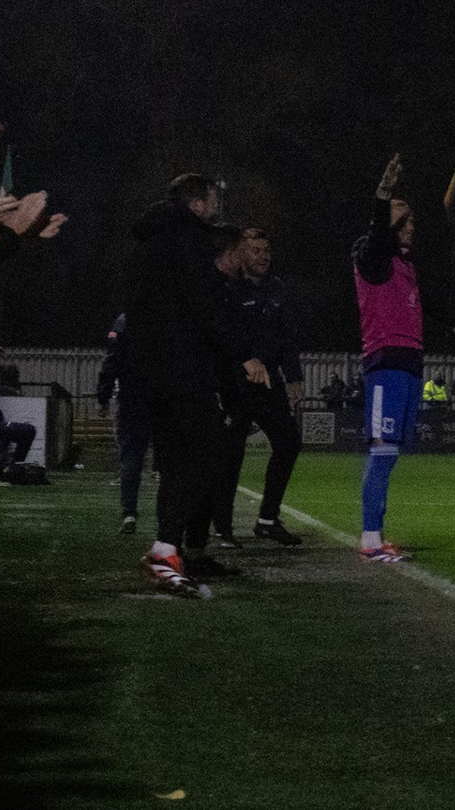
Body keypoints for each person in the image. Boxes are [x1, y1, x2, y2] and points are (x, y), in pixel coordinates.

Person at [125, 173, 263, 596]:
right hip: (183, 368)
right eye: (212, 199)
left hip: (149, 372)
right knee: (211, 453)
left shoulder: (147, 244)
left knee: (177, 462)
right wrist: (242, 353)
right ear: (197, 203)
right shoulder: (188, 242)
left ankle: (171, 550)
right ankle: (166, 546)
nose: (217, 206)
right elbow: (204, 309)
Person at [352, 154, 455, 563]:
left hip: (408, 365)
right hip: (385, 363)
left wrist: (453, 320)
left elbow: (421, 302)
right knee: (382, 449)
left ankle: (377, 537)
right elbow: (376, 235)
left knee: (390, 453)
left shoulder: (406, 265)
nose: (411, 228)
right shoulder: (372, 258)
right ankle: (370, 541)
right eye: (404, 222)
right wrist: (383, 194)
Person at [215, 227, 307, 547]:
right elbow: (220, 334)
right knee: (231, 455)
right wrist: (243, 360)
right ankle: (223, 527)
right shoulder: (227, 288)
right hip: (235, 384)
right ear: (240, 252)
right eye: (255, 250)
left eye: (266, 251)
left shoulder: (277, 289)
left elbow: (288, 338)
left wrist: (294, 380)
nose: (263, 257)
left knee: (289, 443)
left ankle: (267, 519)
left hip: (268, 382)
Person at [96, 313, 154, 533]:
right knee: (172, 461)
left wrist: (103, 396)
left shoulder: (125, 321)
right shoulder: (172, 313)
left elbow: (111, 360)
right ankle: (173, 522)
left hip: (132, 397)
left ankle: (129, 512)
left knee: (131, 457)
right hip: (165, 397)